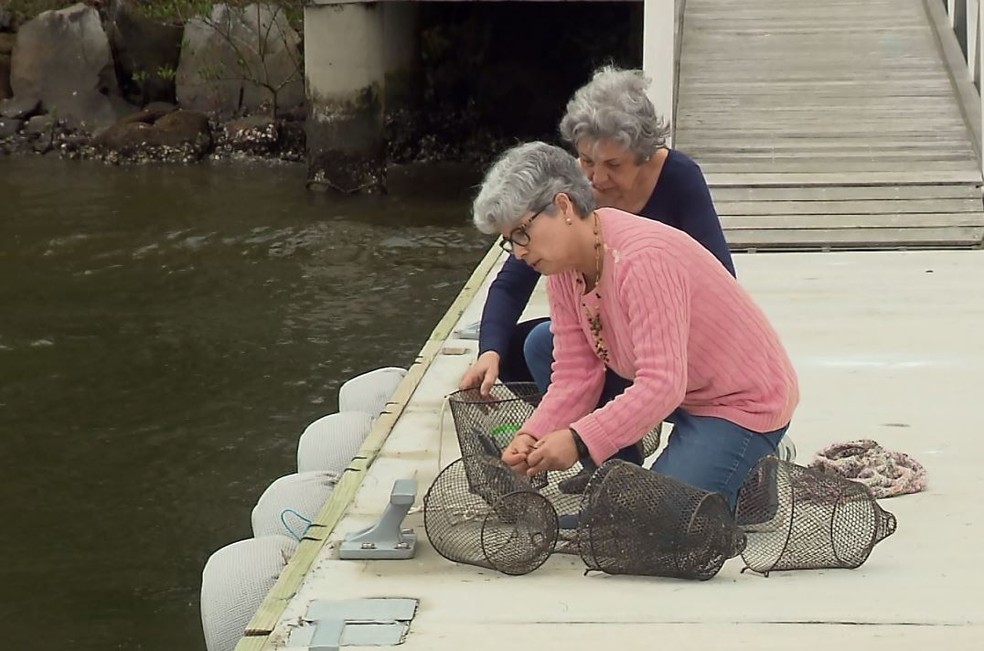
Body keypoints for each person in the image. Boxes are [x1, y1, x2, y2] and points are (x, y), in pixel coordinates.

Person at [469, 141, 798, 510]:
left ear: (563, 206)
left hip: (738, 399)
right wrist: (534, 434)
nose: (518, 252)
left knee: (650, 520)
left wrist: (577, 439)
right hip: (684, 387)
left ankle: (753, 472)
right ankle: (619, 473)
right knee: (543, 344)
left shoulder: (642, 260)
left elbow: (662, 384)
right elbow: (576, 374)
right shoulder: (563, 267)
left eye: (521, 234)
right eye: (508, 241)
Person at [460, 66, 733, 411]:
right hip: (611, 334)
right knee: (527, 346)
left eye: (614, 164)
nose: (597, 177)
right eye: (587, 160)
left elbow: (721, 277)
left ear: (644, 152)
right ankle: (615, 452)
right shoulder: (570, 185)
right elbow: (513, 280)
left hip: (671, 337)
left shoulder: (680, 178)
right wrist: (489, 350)